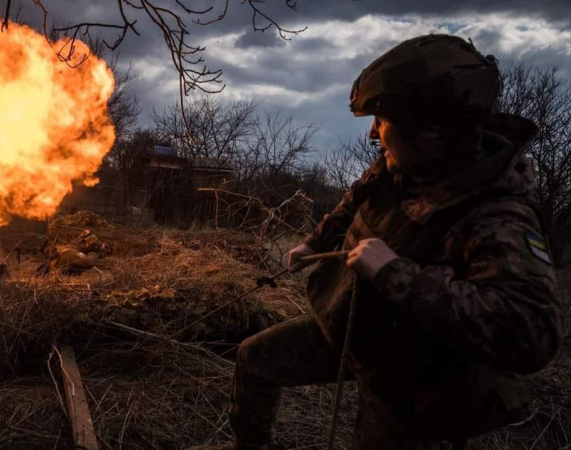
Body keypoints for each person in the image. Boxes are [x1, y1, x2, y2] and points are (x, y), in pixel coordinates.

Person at [190, 34, 562, 450]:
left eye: (383, 122)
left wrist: (396, 274)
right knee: (255, 357)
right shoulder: (401, 163)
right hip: (354, 326)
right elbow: (355, 200)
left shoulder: (497, 217)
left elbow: (533, 337)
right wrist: (316, 242)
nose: (373, 133)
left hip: (413, 379)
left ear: (430, 134)